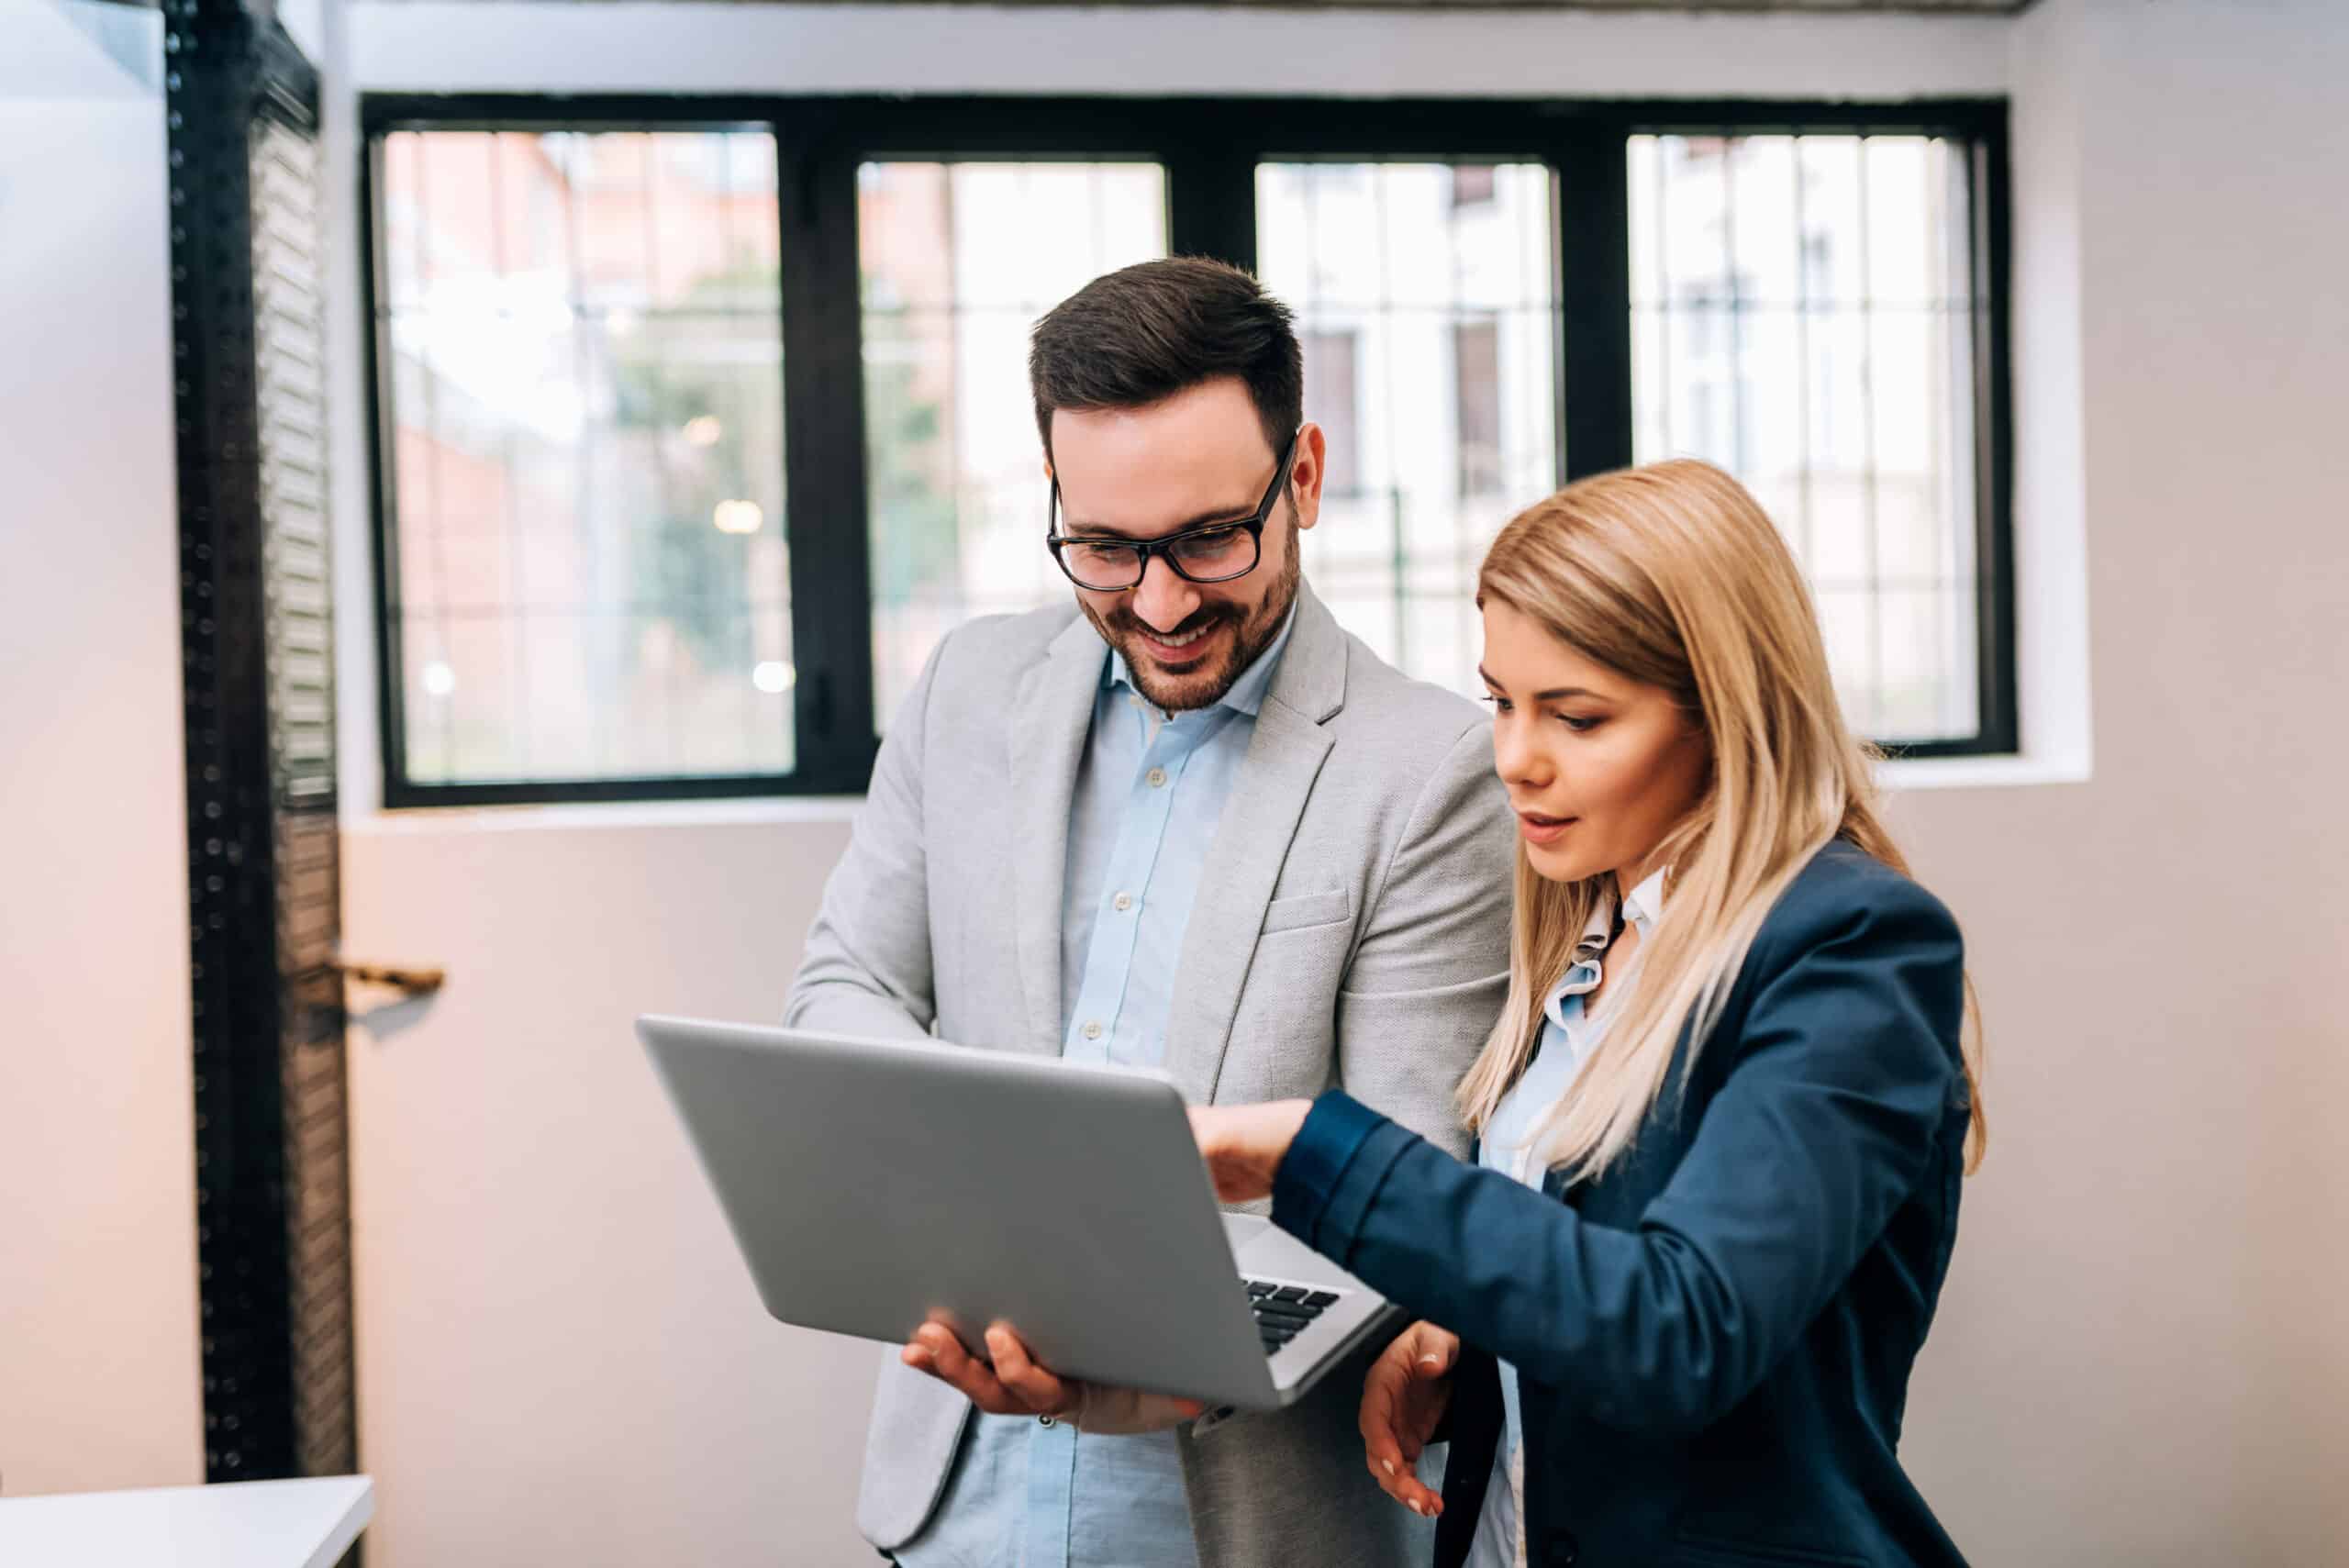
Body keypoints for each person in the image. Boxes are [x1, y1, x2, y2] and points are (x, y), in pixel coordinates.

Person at [784, 257, 1517, 1567]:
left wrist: (1142, 1346)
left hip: (1243, 1509)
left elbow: (1411, 1172)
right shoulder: (968, 691)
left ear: (1301, 478)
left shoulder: (1430, 768)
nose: (1163, 604)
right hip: (955, 1494)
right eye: (1108, 548)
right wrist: (986, 1206)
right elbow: (845, 986)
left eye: (1208, 541)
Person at [1189, 459, 1988, 1568]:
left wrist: (1310, 1150)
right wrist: (1477, 1354)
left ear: (1723, 711)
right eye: (1500, 702)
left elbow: (1682, 1329)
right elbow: (1585, 1269)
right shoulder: (1583, 938)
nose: (1514, 759)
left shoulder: (1851, 949)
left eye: (1575, 715)